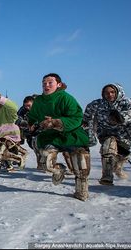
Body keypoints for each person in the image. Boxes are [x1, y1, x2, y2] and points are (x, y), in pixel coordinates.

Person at [28, 73, 90, 201]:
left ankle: (81, 191)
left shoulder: (66, 98)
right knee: (45, 161)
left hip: (70, 134)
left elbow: (77, 117)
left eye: (50, 82)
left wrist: (56, 122)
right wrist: (31, 125)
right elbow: (32, 117)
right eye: (44, 83)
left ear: (59, 84)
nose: (46, 85)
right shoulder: (39, 100)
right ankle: (59, 170)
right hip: (49, 137)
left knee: (80, 163)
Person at [83, 83, 131, 186]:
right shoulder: (98, 104)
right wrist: (85, 124)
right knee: (107, 148)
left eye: (112, 92)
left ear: (118, 93)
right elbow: (88, 114)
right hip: (106, 133)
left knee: (121, 156)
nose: (109, 95)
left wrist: (122, 117)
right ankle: (107, 176)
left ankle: (118, 168)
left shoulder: (127, 103)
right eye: (106, 93)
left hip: (124, 135)